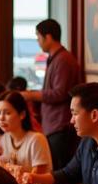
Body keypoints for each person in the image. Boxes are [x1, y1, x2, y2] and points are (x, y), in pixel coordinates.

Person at [21, 19, 82, 168]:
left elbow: (59, 93)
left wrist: (30, 95)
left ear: (48, 37)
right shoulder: (56, 58)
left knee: (60, 171)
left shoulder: (63, 60)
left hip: (60, 126)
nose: (38, 41)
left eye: (38, 37)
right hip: (53, 126)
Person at [0, 91, 52, 174]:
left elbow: (39, 177)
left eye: (7, 113)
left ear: (22, 114)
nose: (1, 118)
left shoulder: (36, 139)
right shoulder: (2, 139)